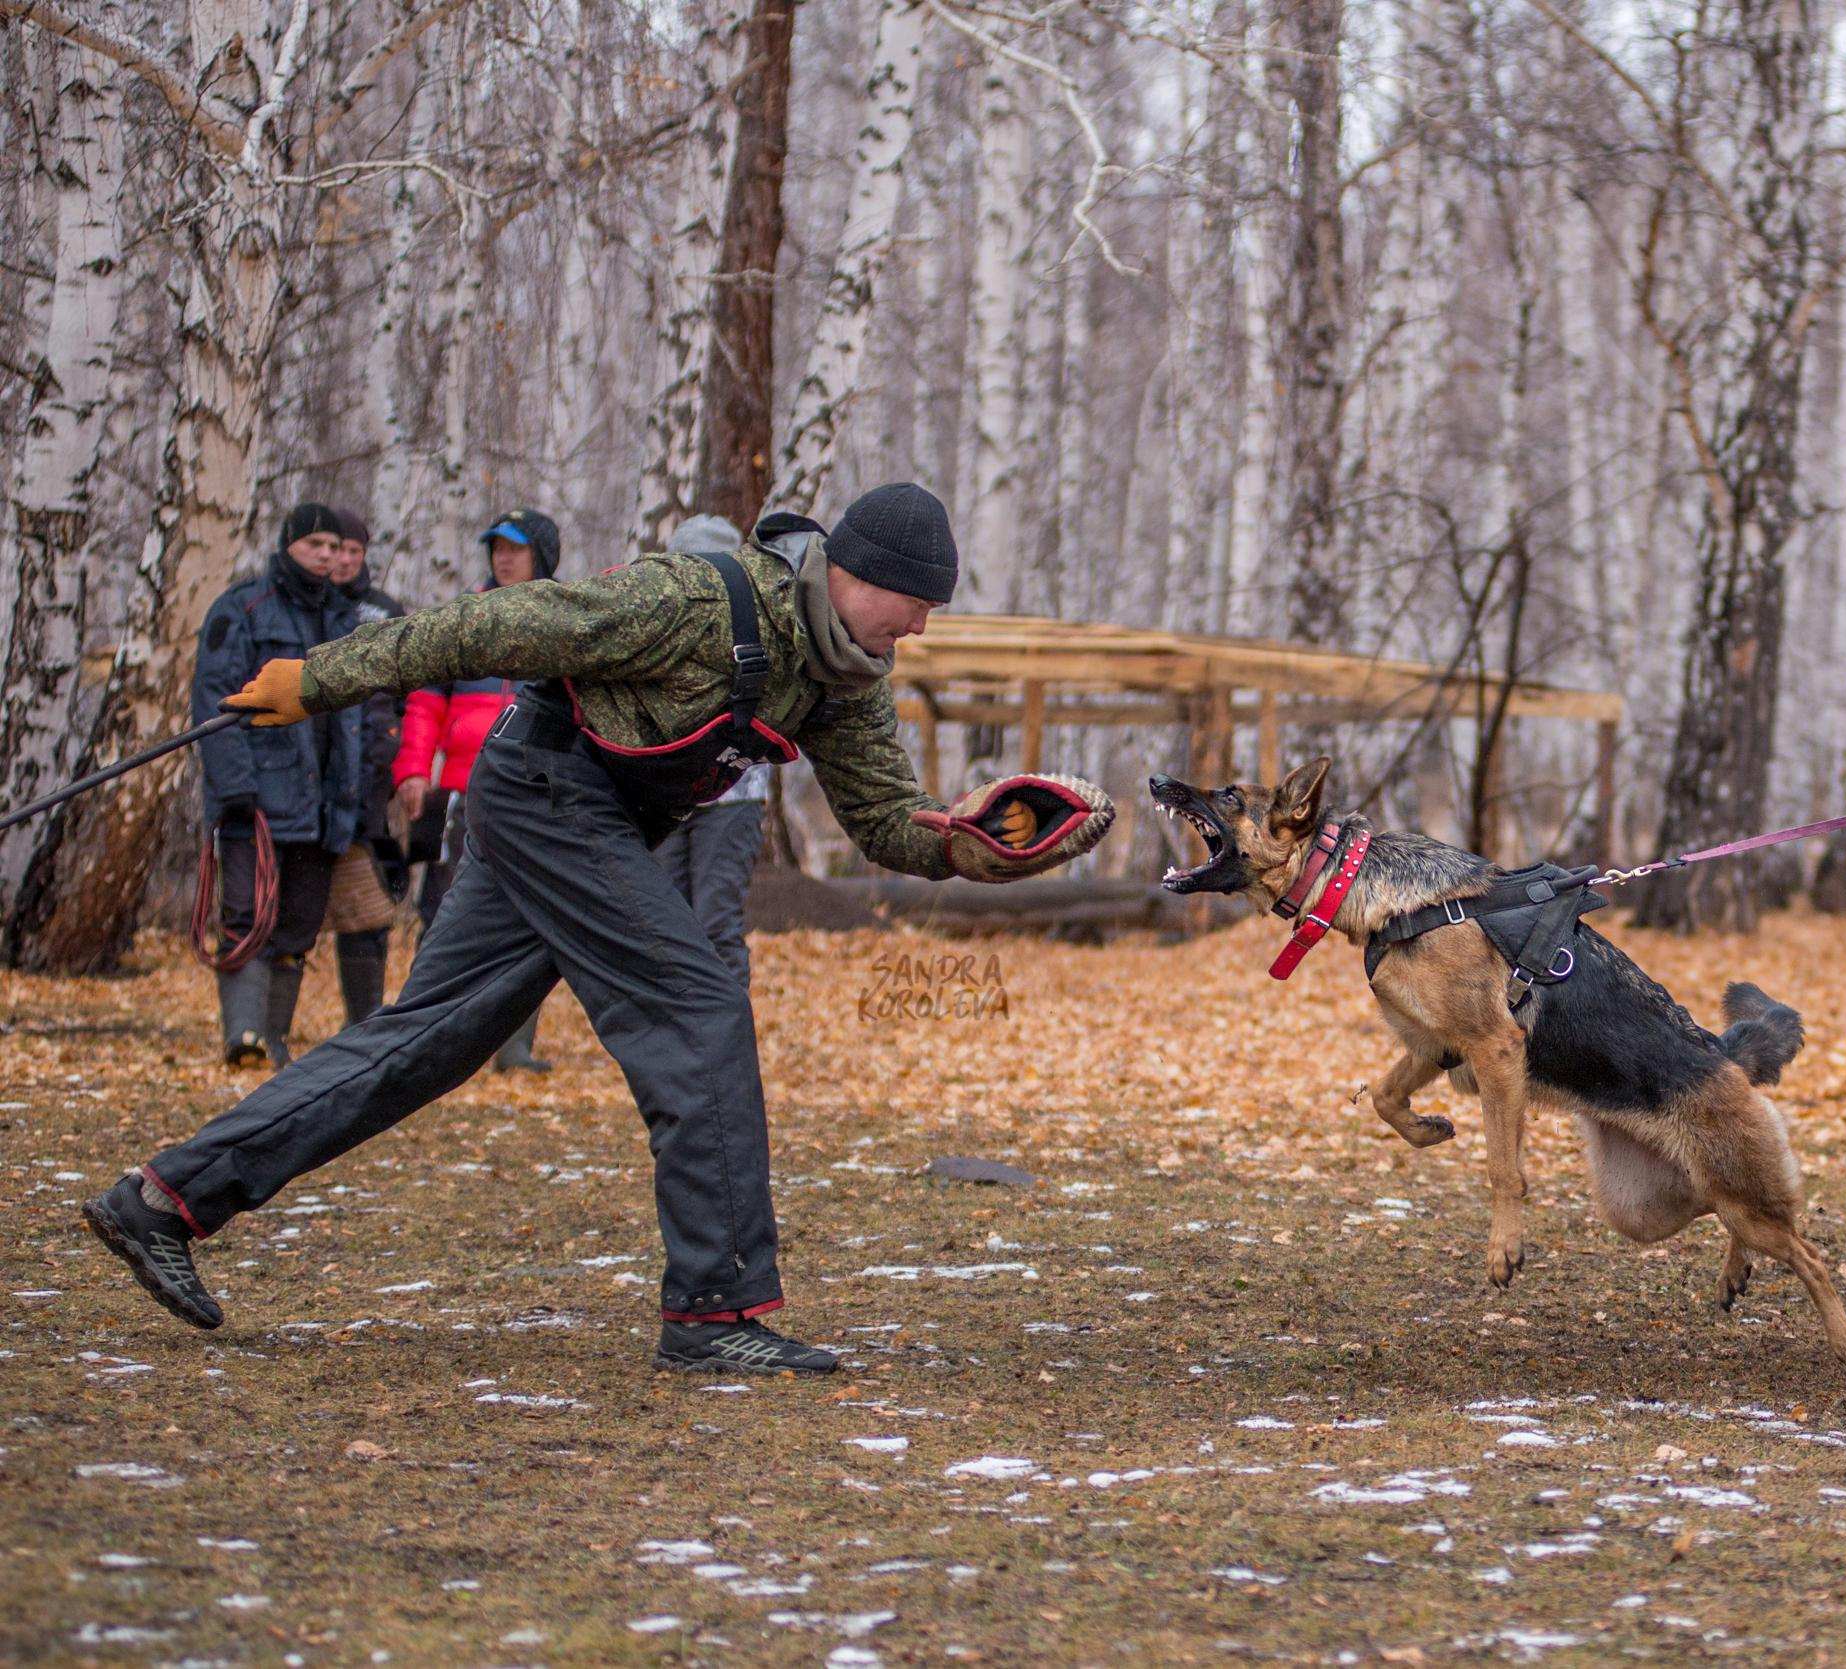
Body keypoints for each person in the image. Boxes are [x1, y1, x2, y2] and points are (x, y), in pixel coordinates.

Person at [85, 484, 1113, 1375]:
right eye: (917, 604)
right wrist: (320, 679)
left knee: (427, 1041)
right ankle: (717, 1313)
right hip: (544, 792)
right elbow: (487, 629)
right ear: (858, 571)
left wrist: (970, 842)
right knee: (698, 1001)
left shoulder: (844, 676)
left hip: (592, 820)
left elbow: (887, 822)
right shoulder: (691, 600)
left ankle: (165, 1199)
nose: (922, 628)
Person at [191, 502, 365, 1067]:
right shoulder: (242, 608)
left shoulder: (345, 619)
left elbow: (355, 721)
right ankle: (241, 1038)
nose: (326, 554)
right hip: (258, 800)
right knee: (246, 915)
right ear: (288, 544)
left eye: (335, 546)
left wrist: (353, 796)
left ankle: (274, 1039)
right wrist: (234, 787)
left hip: (323, 806)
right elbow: (214, 700)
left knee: (298, 926)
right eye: (315, 543)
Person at [393, 509, 562, 1069]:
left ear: (541, 553)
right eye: (496, 548)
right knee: (443, 913)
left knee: (532, 918)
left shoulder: (569, 614)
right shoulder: (464, 616)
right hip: (461, 793)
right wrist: (414, 770)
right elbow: (424, 701)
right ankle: (424, 1038)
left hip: (538, 794)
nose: (503, 557)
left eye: (516, 548)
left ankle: (513, 1049)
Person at [654, 514, 770, 985]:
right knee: (666, 926)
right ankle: (676, 1043)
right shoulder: (656, 624)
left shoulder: (759, 626)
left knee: (714, 923)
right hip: (666, 792)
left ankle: (726, 1045)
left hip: (734, 793)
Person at [325, 509, 408, 1025]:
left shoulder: (384, 611)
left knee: (370, 905)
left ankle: (364, 1022)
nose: (346, 561)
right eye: (338, 550)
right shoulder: (308, 608)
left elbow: (404, 694)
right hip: (315, 782)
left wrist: (397, 758)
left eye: (355, 551)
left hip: (373, 783)